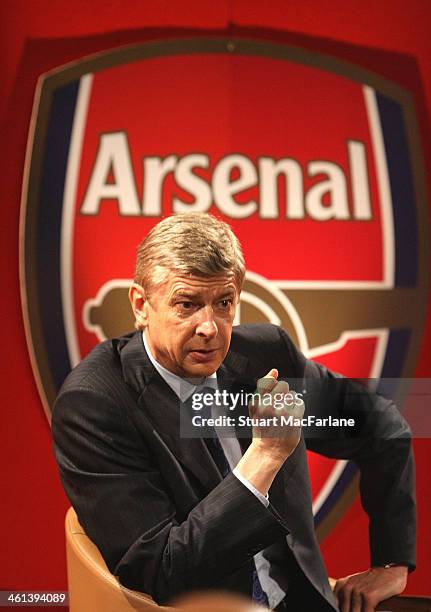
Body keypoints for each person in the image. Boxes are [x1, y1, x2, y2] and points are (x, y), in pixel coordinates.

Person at [52, 213, 414, 611]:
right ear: (141, 305)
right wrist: (264, 456)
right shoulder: (97, 403)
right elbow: (162, 571)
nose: (209, 327)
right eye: (187, 304)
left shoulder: (263, 357)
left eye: (223, 303)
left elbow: (382, 425)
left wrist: (391, 562)